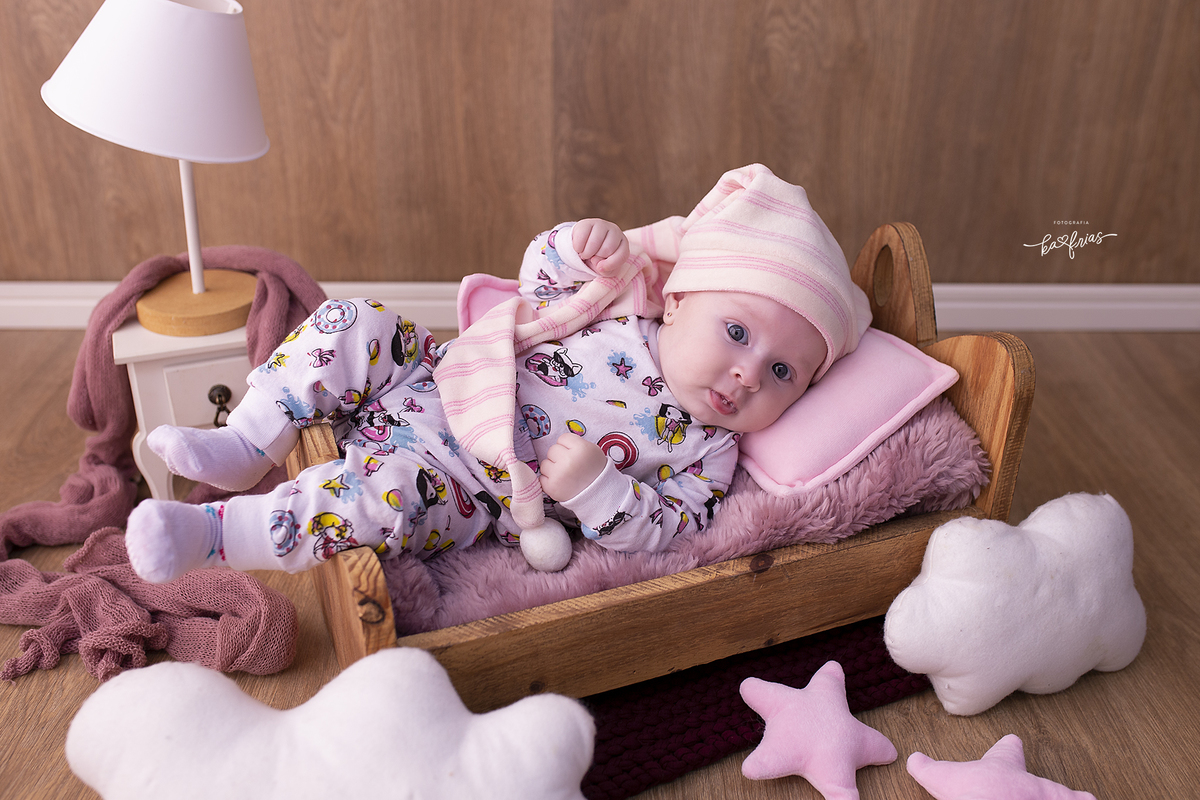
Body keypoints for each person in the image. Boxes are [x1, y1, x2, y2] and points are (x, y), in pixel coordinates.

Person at [124, 164, 870, 583]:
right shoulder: (615, 310)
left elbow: (669, 534)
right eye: (736, 332)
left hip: (464, 482)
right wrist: (576, 250)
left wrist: (599, 490)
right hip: (437, 378)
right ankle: (249, 440)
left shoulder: (709, 454)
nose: (747, 375)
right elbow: (538, 287)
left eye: (783, 372)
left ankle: (216, 534)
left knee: (382, 504)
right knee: (354, 320)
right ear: (676, 301)